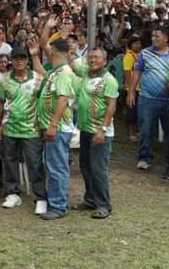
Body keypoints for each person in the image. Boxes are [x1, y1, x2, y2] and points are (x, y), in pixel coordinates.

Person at [0, 42, 48, 214]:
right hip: (10, 127)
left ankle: (40, 197)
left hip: (31, 128)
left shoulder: (37, 78)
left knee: (34, 163)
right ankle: (13, 193)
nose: (19, 61)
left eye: (22, 58)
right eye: (16, 58)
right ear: (11, 61)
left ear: (27, 60)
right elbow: (0, 103)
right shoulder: (4, 79)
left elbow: (47, 92)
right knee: (10, 161)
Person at [128, 26, 169, 179]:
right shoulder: (145, 53)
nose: (154, 39)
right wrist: (131, 91)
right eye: (152, 36)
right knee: (145, 130)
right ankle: (144, 158)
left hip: (168, 100)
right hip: (147, 98)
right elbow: (137, 72)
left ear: (166, 38)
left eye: (157, 36)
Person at [72, 46, 118, 218]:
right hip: (85, 129)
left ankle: (103, 204)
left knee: (98, 169)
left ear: (104, 61)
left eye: (96, 58)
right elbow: (68, 61)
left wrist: (102, 129)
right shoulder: (85, 73)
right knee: (86, 166)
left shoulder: (109, 80)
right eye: (90, 57)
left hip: (100, 132)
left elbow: (111, 106)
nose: (92, 60)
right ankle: (90, 199)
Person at [36, 39, 75, 220]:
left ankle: (59, 205)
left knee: (57, 166)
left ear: (57, 52)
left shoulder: (65, 73)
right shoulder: (55, 72)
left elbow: (63, 99)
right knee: (52, 164)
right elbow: (41, 72)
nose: (48, 54)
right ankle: (56, 202)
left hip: (58, 128)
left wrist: (52, 124)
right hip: (51, 127)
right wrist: (33, 55)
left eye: (50, 51)